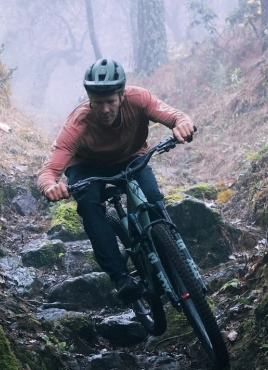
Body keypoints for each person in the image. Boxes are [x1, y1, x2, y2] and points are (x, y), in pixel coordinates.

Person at [37, 58, 196, 301]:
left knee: (152, 198)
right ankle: (121, 278)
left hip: (131, 157)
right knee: (89, 204)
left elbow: (174, 116)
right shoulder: (77, 123)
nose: (105, 109)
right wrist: (50, 186)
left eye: (110, 101)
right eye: (98, 102)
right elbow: (48, 171)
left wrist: (182, 124)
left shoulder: (139, 99)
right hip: (87, 166)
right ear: (89, 99)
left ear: (122, 96)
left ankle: (168, 256)